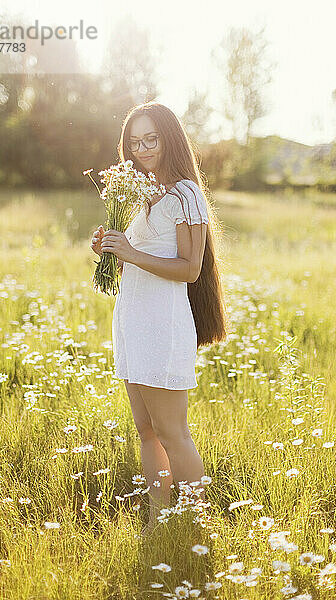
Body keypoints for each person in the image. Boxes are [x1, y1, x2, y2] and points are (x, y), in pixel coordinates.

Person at [91, 101, 228, 536]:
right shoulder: (134, 194)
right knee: (146, 431)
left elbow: (189, 269)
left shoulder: (185, 195)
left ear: (169, 138)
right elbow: (136, 262)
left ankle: (194, 523)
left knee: (172, 432)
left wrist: (131, 251)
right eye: (135, 142)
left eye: (151, 138)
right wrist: (109, 252)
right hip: (131, 321)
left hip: (163, 326)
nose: (143, 148)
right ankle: (158, 520)